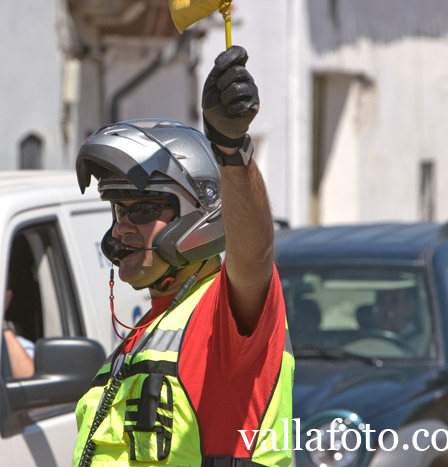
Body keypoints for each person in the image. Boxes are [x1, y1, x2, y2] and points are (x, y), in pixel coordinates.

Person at [72, 46, 293, 466]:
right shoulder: (150, 329)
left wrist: (232, 149)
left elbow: (254, 255)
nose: (121, 228)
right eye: (119, 211)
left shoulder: (220, 315)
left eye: (143, 210)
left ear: (201, 212)